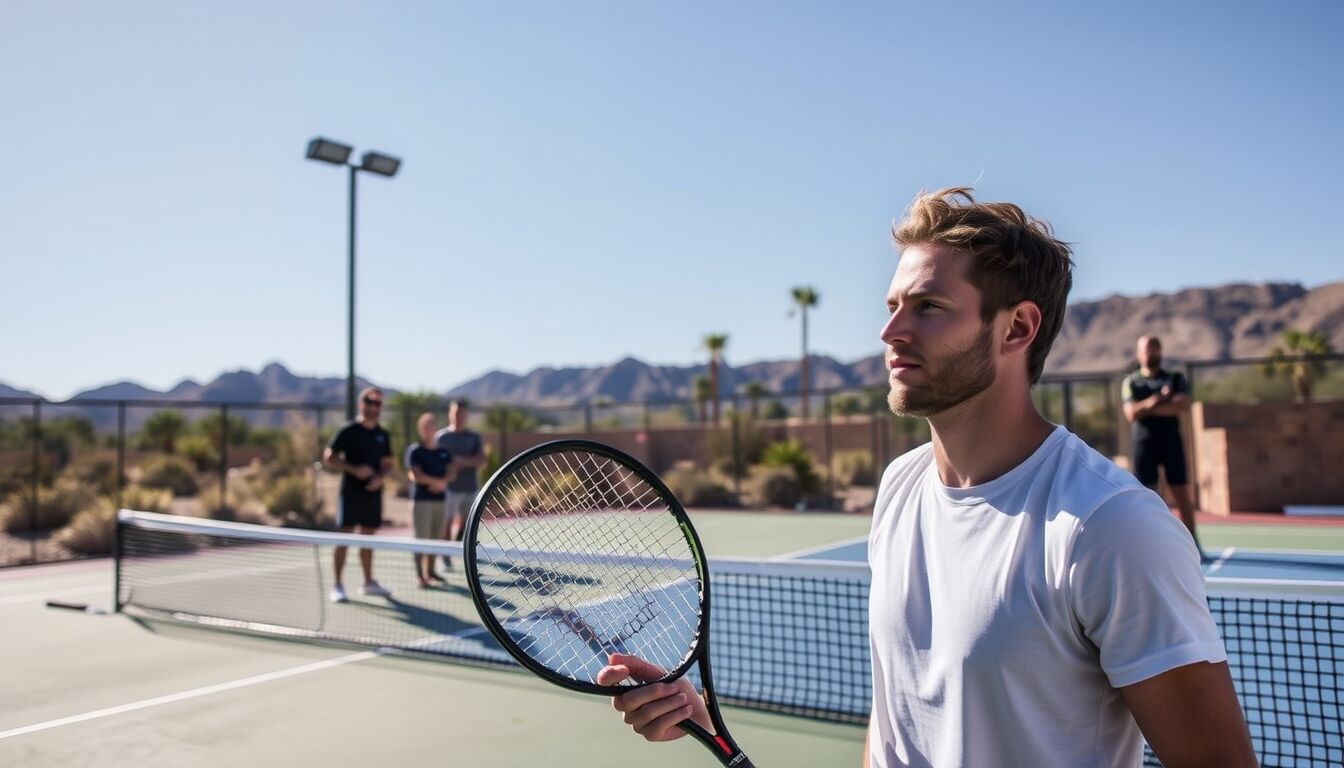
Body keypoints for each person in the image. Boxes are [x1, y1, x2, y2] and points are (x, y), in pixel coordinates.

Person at [598, 188, 1255, 767]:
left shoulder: (1110, 527)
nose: (890, 331)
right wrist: (705, 724)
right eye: (891, 306)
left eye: (929, 307)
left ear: (1016, 328)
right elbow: (896, 732)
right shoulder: (900, 487)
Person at [1122, 336, 1204, 555]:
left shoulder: (1175, 378)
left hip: (1171, 443)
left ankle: (1192, 545)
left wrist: (1146, 409)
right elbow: (1131, 413)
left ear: (1160, 352)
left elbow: (1182, 405)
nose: (1150, 354)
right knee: (1146, 496)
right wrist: (1158, 400)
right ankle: (1150, 546)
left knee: (1181, 495)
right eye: (1145, 350)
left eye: (1153, 349)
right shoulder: (1131, 382)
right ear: (1139, 354)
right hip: (1143, 445)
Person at [323, 386, 395, 602]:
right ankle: (337, 585)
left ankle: (368, 582)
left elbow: (389, 464)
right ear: (361, 403)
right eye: (370, 402)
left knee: (368, 538)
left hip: (372, 494)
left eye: (379, 404)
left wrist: (380, 478)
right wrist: (355, 470)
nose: (374, 407)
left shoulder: (383, 434)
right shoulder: (348, 430)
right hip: (350, 492)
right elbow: (329, 456)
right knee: (344, 537)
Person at [405, 412, 458, 587]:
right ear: (421, 429)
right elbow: (415, 475)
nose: (429, 429)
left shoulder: (443, 451)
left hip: (440, 501)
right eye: (425, 426)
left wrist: (443, 483)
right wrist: (438, 482)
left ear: (436, 428)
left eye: (432, 425)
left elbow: (452, 471)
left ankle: (431, 571)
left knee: (435, 539)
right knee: (422, 538)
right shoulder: (416, 450)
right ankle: (420, 575)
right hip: (422, 501)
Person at [434, 400, 487, 553]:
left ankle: (458, 549)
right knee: (447, 522)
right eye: (456, 413)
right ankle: (446, 555)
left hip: (470, 488)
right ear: (450, 414)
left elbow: (481, 460)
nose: (459, 416)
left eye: (462, 413)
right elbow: (435, 461)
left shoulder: (474, 437)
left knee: (468, 524)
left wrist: (463, 461)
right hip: (448, 489)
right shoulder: (441, 437)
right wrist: (448, 467)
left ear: (466, 415)